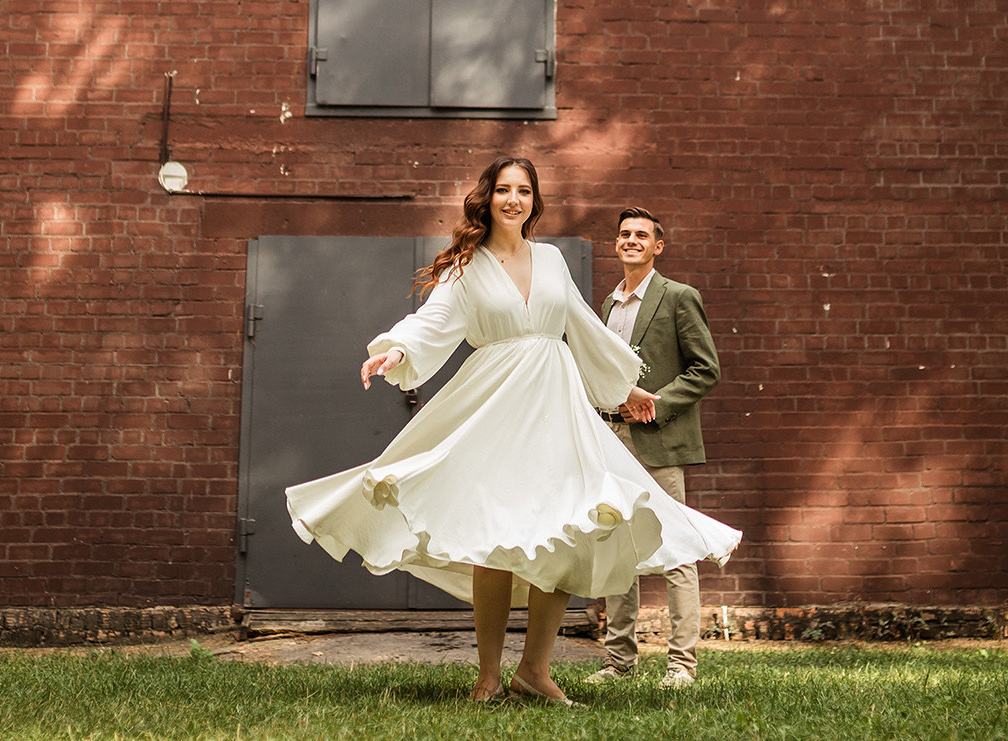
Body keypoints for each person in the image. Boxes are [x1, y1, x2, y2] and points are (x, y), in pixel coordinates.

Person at [286, 157, 740, 705]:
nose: (513, 200)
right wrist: (397, 349)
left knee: (568, 529)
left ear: (534, 201)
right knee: (493, 537)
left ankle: (535, 670)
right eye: (504, 189)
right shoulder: (466, 265)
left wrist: (628, 390)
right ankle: (487, 675)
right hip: (496, 405)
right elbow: (434, 321)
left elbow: (584, 328)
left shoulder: (550, 260)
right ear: (489, 197)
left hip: (556, 407)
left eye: (524, 191)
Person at [588, 206, 721, 687]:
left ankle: (682, 665)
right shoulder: (606, 304)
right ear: (616, 244)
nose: (630, 240)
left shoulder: (679, 297)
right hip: (612, 441)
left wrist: (656, 405)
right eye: (624, 234)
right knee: (618, 549)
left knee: (676, 550)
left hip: (660, 440)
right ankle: (619, 662)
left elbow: (706, 369)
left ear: (657, 246)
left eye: (641, 235)